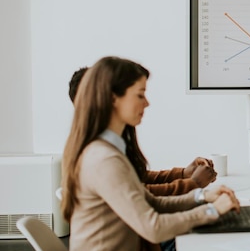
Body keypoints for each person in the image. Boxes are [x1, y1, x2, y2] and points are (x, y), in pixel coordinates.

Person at [62, 57, 241, 251]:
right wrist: (212, 211)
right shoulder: (104, 160)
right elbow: (153, 227)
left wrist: (202, 197)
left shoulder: (109, 151)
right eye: (140, 95)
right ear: (112, 98)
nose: (147, 103)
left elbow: (152, 203)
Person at [69, 66, 217, 194]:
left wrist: (183, 174)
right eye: (139, 95)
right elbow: (141, 195)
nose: (146, 103)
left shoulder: (111, 139)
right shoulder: (99, 154)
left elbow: (136, 179)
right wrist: (194, 184)